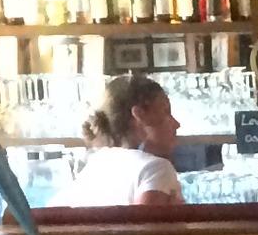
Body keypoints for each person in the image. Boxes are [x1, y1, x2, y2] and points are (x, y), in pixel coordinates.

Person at [71, 73, 186, 208]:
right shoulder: (155, 169)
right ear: (139, 115)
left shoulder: (95, 164)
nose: (177, 124)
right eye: (166, 112)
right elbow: (144, 222)